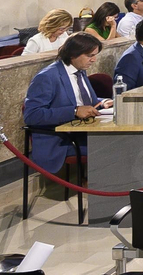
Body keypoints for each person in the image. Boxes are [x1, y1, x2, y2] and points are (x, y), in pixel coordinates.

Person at [22, 32, 110, 174]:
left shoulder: (80, 71)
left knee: (123, 140)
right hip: (62, 140)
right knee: (113, 145)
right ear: (73, 54)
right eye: (89, 55)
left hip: (83, 132)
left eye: (95, 55)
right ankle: (101, 189)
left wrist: (103, 102)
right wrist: (74, 111)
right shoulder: (47, 77)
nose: (94, 60)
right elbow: (32, 115)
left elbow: (85, 101)